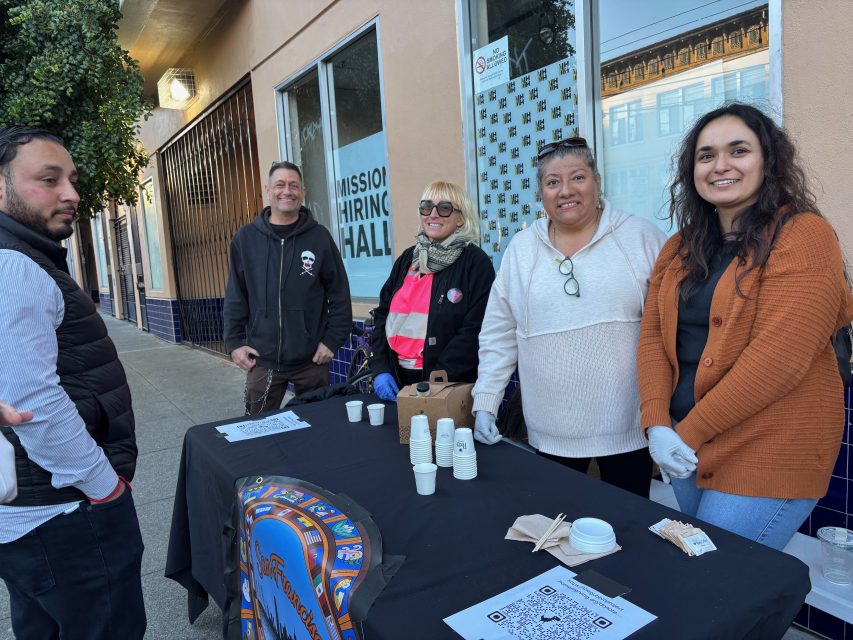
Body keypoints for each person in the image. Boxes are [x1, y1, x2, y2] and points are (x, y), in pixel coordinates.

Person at [637, 103, 853, 550]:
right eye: (706, 155)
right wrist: (656, 420)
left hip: (767, 444)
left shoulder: (803, 236)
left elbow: (779, 359)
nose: (721, 166)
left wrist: (684, 433)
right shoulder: (679, 246)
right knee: (704, 571)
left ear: (768, 161)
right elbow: (655, 336)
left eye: (738, 150)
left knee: (719, 581)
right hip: (683, 442)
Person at [0, 126, 145, 638]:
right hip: (63, 514)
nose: (72, 193)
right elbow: (32, 401)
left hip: (33, 515)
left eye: (72, 179)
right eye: (49, 179)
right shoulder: (15, 266)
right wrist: (103, 486)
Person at [472, 137, 666, 497]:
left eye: (578, 177)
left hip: (629, 427)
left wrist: (667, 416)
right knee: (558, 526)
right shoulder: (521, 250)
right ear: (541, 193)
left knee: (630, 527)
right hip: (552, 432)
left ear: (597, 180)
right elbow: (499, 332)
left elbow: (671, 327)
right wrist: (486, 401)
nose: (566, 191)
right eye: (552, 182)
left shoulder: (641, 237)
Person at [224, 160, 352, 414]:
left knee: (319, 429)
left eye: (294, 185)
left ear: (303, 191)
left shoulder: (319, 237)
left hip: (311, 361)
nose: (287, 191)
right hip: (263, 359)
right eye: (280, 185)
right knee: (258, 431)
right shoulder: (246, 239)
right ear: (267, 190)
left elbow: (339, 295)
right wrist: (234, 343)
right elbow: (235, 296)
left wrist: (332, 340)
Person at [369, 181, 495, 400]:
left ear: (461, 218)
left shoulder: (475, 263)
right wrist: (380, 368)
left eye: (444, 208)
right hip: (397, 382)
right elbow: (382, 315)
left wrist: (434, 384)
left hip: (448, 388)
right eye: (427, 207)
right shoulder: (408, 259)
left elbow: (475, 329)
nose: (433, 214)